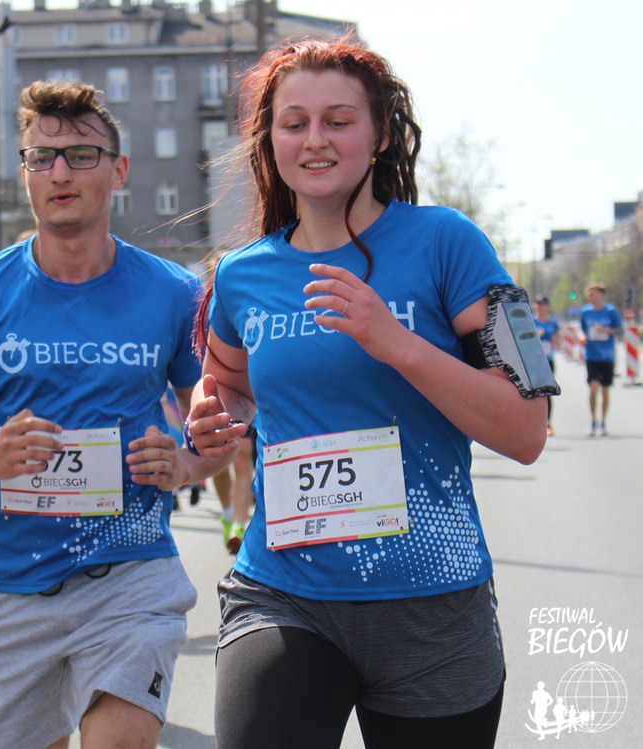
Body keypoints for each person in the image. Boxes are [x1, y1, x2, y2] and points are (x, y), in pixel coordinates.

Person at [185, 39, 548, 749]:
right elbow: (226, 383)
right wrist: (215, 414)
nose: (314, 140)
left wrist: (396, 342)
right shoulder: (240, 274)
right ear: (270, 140)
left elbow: (527, 426)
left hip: (432, 601)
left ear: (380, 134)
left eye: (338, 120)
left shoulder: (451, 242)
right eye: (294, 123)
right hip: (284, 591)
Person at [0, 80, 231, 749]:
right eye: (41, 157)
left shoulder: (175, 293)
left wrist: (184, 464)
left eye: (81, 156)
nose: (59, 173)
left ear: (118, 171)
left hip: (130, 573)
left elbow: (217, 430)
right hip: (9, 584)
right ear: (25, 172)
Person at [578, 282, 622, 436]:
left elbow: (619, 330)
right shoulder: (586, 312)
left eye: (593, 294)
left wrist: (606, 330)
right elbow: (581, 329)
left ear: (601, 295)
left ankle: (603, 421)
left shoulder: (611, 311)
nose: (591, 297)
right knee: (593, 387)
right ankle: (593, 420)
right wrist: (581, 337)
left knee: (605, 390)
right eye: (589, 295)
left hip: (607, 356)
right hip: (592, 356)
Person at [211, 431, 254, 554]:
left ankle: (238, 526)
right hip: (219, 419)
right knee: (218, 461)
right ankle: (228, 515)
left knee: (241, 458)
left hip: (243, 419)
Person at [533, 295, 561, 435]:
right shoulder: (530, 321)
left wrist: (555, 342)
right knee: (532, 392)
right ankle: (532, 423)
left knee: (546, 393)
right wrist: (535, 336)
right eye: (538, 304)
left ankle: (547, 423)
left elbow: (557, 343)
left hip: (548, 361)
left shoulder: (552, 324)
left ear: (548, 307)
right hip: (532, 361)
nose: (540, 307)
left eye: (543, 304)